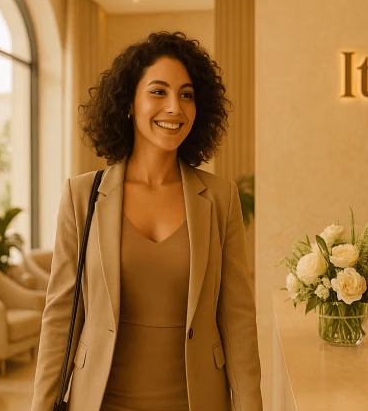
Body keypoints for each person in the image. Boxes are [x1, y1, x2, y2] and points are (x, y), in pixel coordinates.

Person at [30, 31, 262, 411]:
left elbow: (238, 322)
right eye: (158, 91)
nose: (175, 107)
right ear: (128, 104)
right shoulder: (82, 195)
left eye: (186, 94)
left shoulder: (221, 199)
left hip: (196, 401)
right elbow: (60, 316)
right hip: (102, 400)